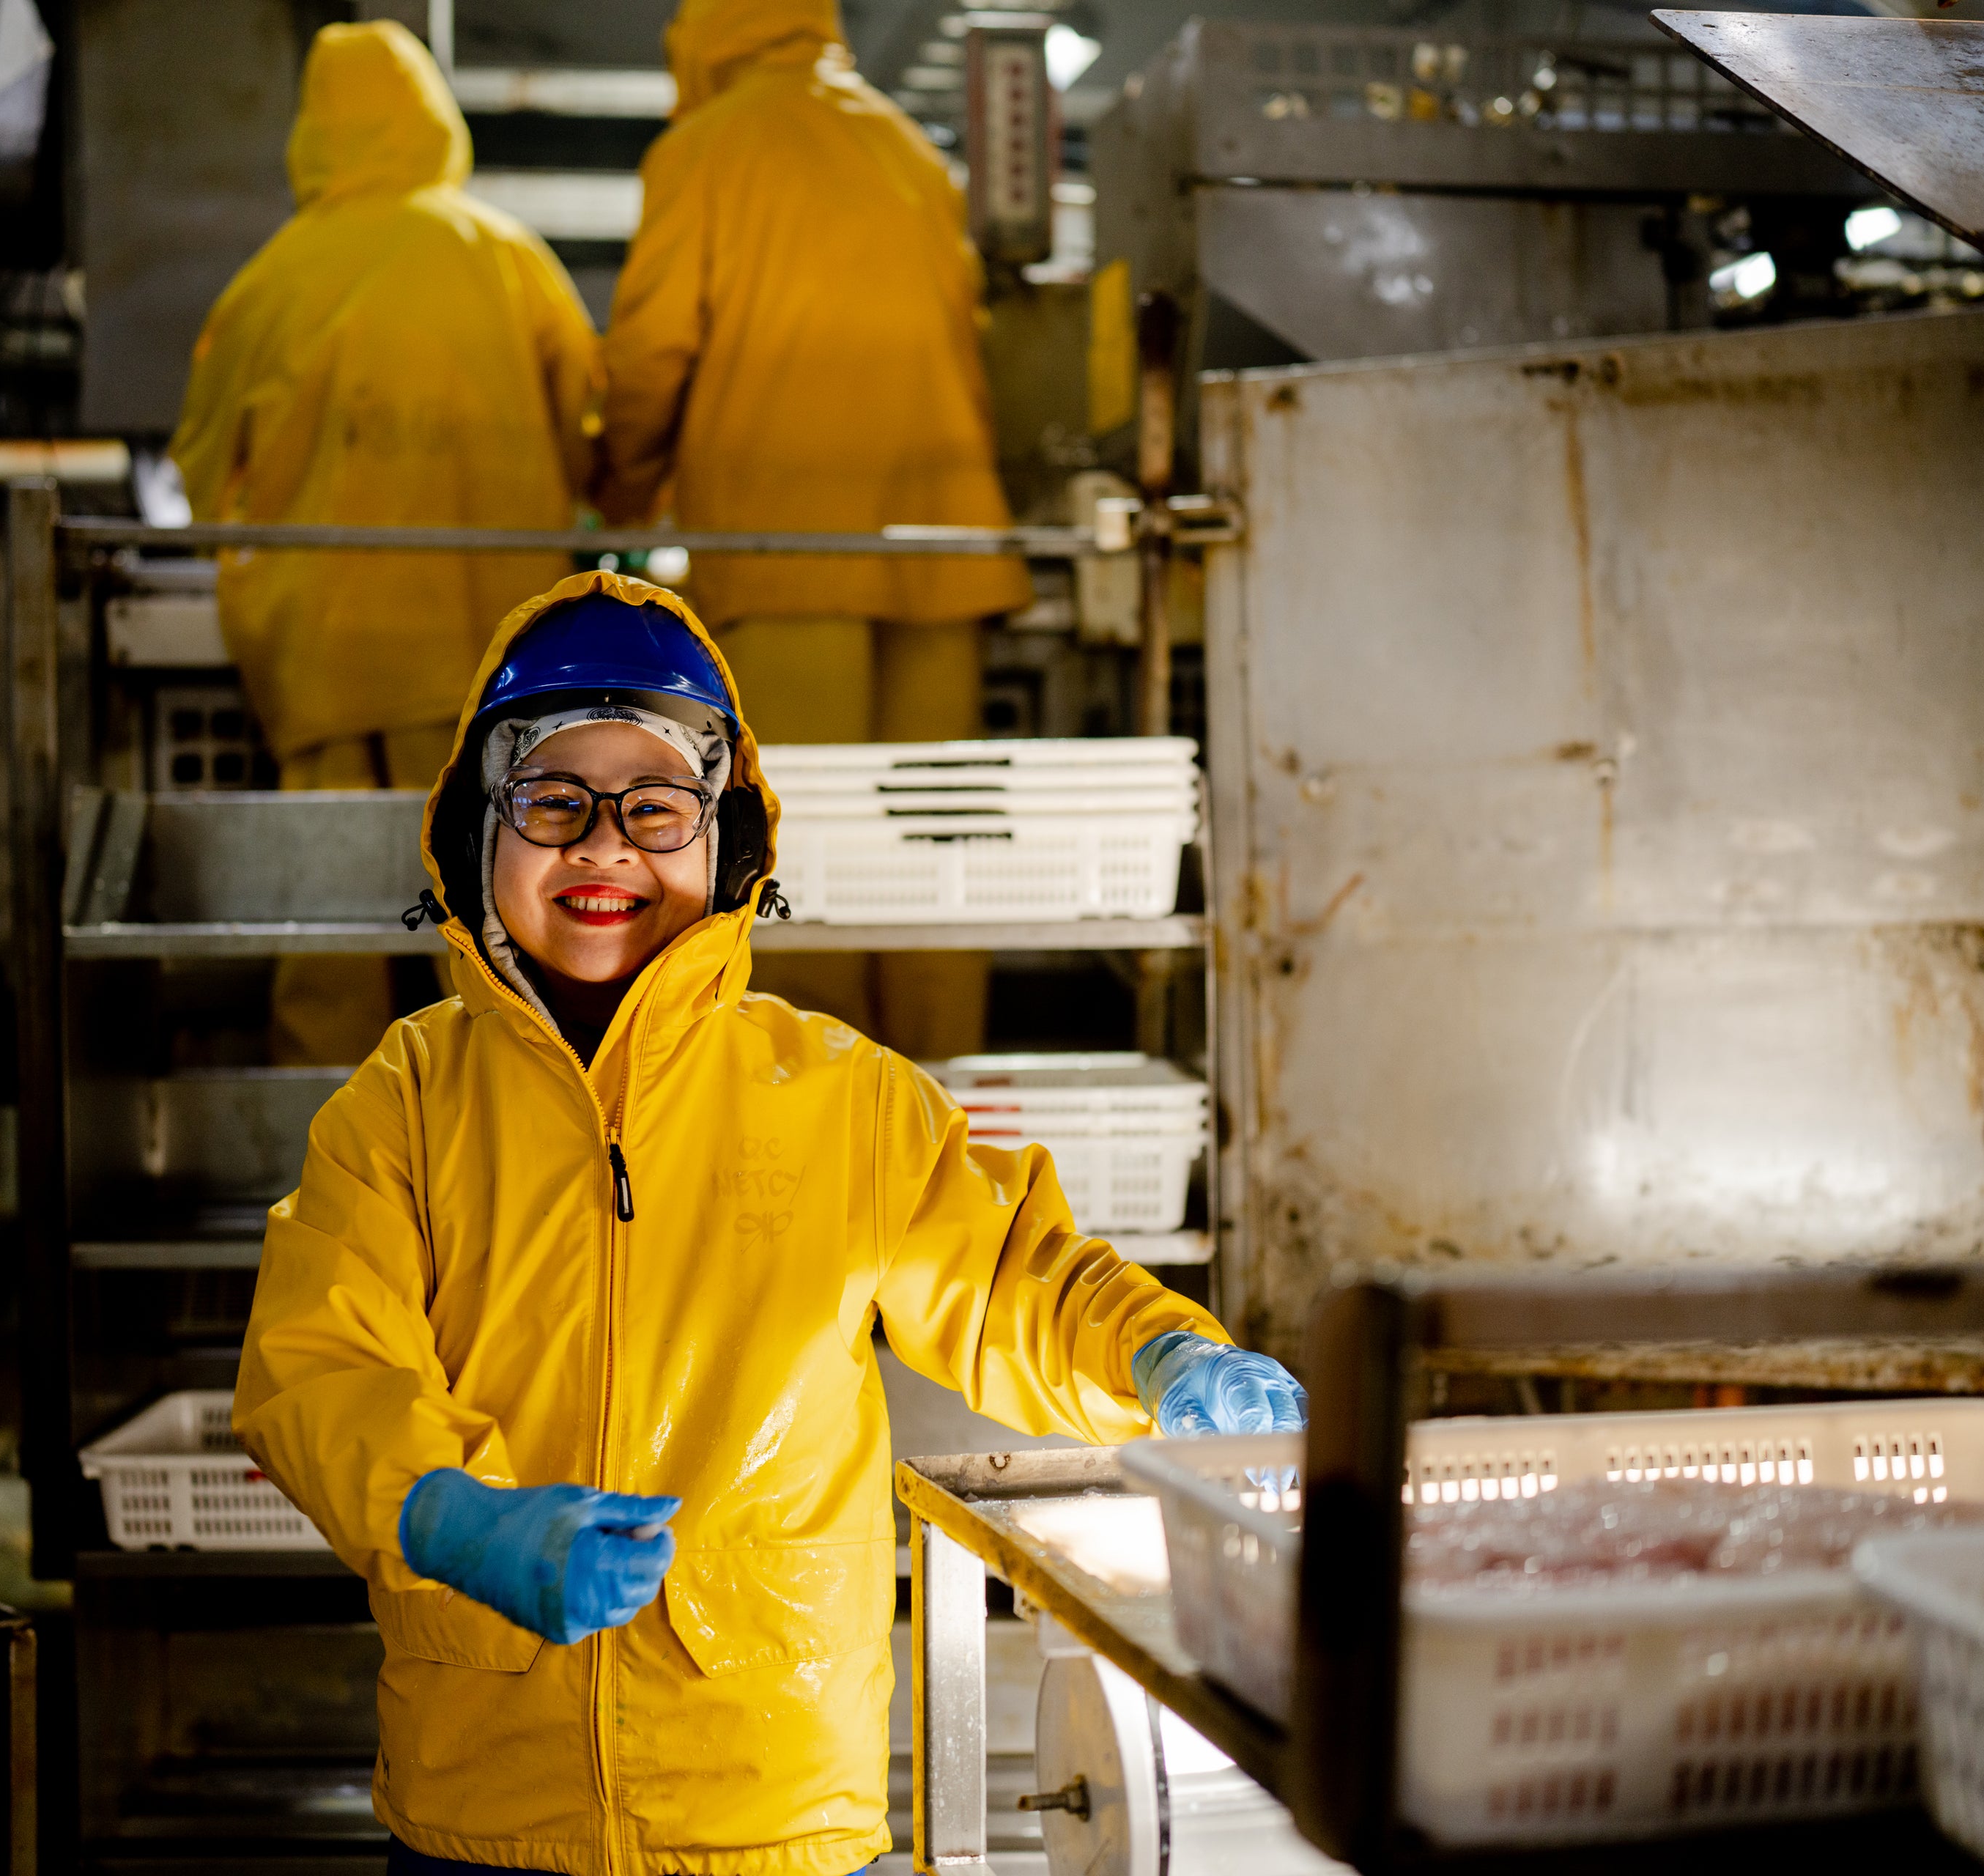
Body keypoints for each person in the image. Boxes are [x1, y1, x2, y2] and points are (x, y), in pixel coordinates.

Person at [233, 572, 1302, 1876]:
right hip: (480, 1808)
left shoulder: (844, 1100)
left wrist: (1162, 1355)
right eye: (554, 801)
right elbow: (319, 1366)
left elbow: (1017, 1279)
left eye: (657, 807)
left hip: (772, 1808)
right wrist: (453, 1516)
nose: (605, 849)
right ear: (475, 834)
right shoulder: (401, 1107)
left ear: (728, 841)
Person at [596, 0, 1030, 1062]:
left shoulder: (706, 150)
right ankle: (939, 1111)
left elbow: (652, 348)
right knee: (933, 859)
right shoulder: (907, 148)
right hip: (943, 552)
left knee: (803, 851)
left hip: (786, 547)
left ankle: (810, 1115)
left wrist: (619, 492)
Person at [170, 21, 602, 1066]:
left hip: (325, 664)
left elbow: (201, 476)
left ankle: (328, 1140)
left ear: (313, 134)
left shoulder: (268, 284)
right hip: (486, 661)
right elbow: (592, 438)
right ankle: (517, 1138)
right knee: (495, 932)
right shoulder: (507, 257)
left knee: (327, 936)